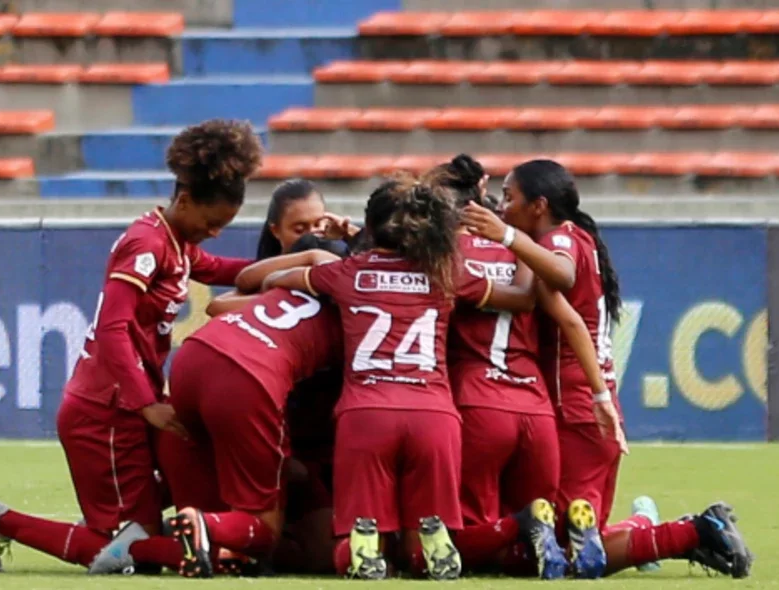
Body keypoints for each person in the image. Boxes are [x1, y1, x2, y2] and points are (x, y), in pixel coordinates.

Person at [0, 119, 264, 572]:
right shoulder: (145, 245)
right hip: (105, 410)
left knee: (135, 538)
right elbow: (112, 328)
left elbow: (218, 267)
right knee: (128, 553)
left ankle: (130, 527)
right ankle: (0, 520)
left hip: (125, 404)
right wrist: (147, 403)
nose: (215, 232)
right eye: (212, 222)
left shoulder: (178, 242)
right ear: (184, 200)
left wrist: (288, 265)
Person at [262, 177, 536, 580]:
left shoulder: (347, 272)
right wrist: (522, 240)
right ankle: (432, 542)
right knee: (419, 550)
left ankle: (363, 543)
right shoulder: (445, 272)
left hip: (366, 414)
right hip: (433, 415)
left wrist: (306, 264)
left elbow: (269, 282)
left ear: (370, 229)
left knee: (356, 541)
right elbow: (521, 298)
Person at [86, 244, 347, 578]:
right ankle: (197, 526)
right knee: (263, 531)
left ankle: (156, 539)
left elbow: (222, 300)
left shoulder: (283, 289)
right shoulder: (354, 300)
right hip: (246, 385)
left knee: (272, 552)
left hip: (193, 361)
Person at [461, 159, 631, 578]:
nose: (502, 206)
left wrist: (504, 236)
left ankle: (682, 532)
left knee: (555, 549)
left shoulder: (560, 241)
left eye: (508, 197)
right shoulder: (582, 237)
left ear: (538, 205)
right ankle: (650, 524)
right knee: (588, 535)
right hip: (596, 404)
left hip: (574, 404)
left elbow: (565, 282)